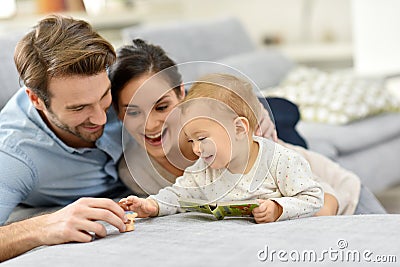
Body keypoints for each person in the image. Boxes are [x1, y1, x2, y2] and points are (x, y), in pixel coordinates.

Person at [109, 39, 385, 217]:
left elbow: (323, 201)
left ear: (182, 94)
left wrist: (279, 211)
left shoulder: (249, 142)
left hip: (341, 198)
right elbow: (181, 196)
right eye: (133, 112)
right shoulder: (135, 172)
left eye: (161, 107)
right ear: (119, 115)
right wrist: (153, 206)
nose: (151, 124)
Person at [0, 15, 130, 262]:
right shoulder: (14, 153)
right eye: (79, 108)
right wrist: (41, 227)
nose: (101, 118)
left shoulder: (122, 78)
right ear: (36, 99)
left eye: (104, 96)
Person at [119, 73, 325, 223]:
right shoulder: (203, 170)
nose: (197, 149)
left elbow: (313, 197)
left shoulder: (280, 161)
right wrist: (152, 205)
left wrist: (279, 209)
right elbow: (177, 194)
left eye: (201, 138)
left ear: (238, 128)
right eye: (191, 141)